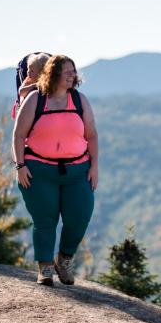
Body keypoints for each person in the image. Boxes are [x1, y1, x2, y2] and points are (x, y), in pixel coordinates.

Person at [12, 54, 99, 286]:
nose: (73, 75)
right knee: (45, 220)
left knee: (79, 217)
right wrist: (20, 165)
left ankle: (64, 259)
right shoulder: (35, 100)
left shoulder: (79, 100)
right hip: (39, 171)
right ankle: (45, 268)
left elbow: (91, 135)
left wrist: (94, 166)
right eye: (67, 72)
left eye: (74, 71)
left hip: (77, 171)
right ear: (54, 74)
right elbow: (19, 135)